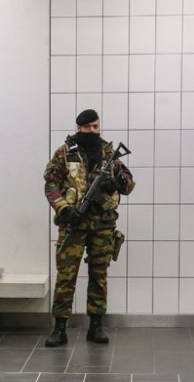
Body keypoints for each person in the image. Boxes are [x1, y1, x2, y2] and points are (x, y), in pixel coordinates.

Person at [43, 109, 134, 347]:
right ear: (79, 128)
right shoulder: (65, 153)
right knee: (66, 276)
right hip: (73, 224)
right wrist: (63, 208)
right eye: (88, 127)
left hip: (103, 224)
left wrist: (116, 182)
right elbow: (51, 184)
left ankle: (96, 326)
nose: (93, 131)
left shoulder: (109, 154)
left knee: (99, 275)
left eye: (96, 126)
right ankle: (60, 328)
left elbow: (128, 185)